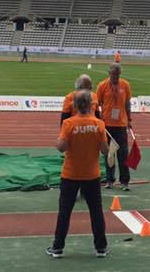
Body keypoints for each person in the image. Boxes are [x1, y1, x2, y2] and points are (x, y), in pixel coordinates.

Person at [46, 90, 110, 259]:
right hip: (92, 174)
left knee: (65, 212)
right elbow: (105, 150)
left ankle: (58, 247)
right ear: (91, 105)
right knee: (96, 212)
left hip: (71, 174)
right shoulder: (99, 125)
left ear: (75, 105)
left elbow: (61, 147)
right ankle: (101, 247)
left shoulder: (68, 124)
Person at [96, 64, 133, 190]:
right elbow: (97, 103)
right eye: (113, 74)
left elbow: (127, 103)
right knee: (109, 154)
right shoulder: (102, 85)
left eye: (117, 74)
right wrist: (99, 117)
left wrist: (129, 119)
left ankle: (124, 181)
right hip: (107, 125)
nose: (115, 77)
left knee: (123, 154)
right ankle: (110, 180)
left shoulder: (125, 85)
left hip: (121, 124)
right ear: (109, 73)